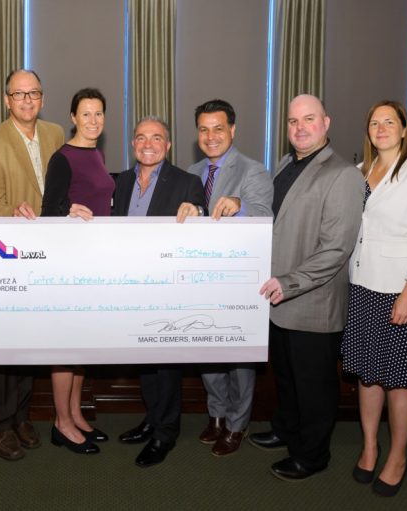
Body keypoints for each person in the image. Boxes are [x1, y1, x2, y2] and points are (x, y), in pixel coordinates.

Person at [252, 94, 363, 481]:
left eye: (309, 119)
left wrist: (290, 282)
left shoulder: (344, 175)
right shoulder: (287, 164)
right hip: (279, 300)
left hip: (312, 302)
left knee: (313, 385)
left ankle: (312, 454)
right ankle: (286, 430)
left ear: (326, 123)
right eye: (293, 120)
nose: (300, 127)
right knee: (285, 376)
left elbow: (336, 249)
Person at [341, 100, 407, 497]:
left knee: (401, 380)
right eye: (374, 123)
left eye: (389, 122)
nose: (380, 128)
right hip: (362, 285)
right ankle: (369, 446)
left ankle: (397, 456)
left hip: (401, 292)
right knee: (368, 374)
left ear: (404, 130)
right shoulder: (358, 173)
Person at [0, 69, 65, 461]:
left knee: (30, 347)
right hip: (8, 263)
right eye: (19, 94)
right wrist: (13, 212)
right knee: (2, 352)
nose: (27, 100)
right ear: (6, 100)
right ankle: (0, 423)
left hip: (46, 263)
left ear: (42, 98)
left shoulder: (58, 135)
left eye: (34, 93)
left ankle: (22, 416)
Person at [182, 99, 273, 457]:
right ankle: (216, 415)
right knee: (207, 352)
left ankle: (237, 423)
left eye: (218, 128)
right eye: (203, 129)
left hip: (239, 280)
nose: (211, 136)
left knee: (238, 359)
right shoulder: (192, 171)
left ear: (232, 130)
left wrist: (241, 206)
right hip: (201, 279)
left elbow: (265, 216)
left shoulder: (254, 171)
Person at [114, 116, 205, 467]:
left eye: (156, 138)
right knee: (144, 362)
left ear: (168, 145)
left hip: (169, 290)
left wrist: (197, 211)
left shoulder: (187, 182)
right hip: (131, 286)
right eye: (140, 137)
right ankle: (151, 419)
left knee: (166, 365)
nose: (147, 143)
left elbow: (203, 215)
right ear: (133, 144)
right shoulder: (121, 182)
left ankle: (165, 433)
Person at [41, 88, 114, 454]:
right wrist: (66, 210)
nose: (93, 121)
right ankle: (61, 423)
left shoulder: (97, 154)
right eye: (86, 114)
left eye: (99, 113)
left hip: (95, 261)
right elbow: (48, 211)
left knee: (81, 343)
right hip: (70, 263)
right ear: (73, 117)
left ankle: (75, 414)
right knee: (65, 346)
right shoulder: (63, 157)